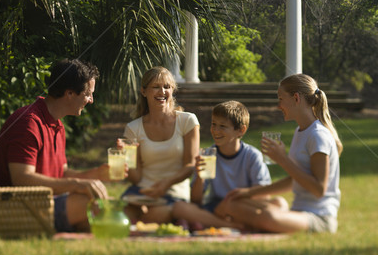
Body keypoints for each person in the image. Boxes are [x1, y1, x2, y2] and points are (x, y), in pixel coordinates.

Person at [0, 58, 114, 233]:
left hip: (45, 203)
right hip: (16, 208)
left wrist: (96, 174)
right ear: (70, 93)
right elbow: (22, 179)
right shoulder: (28, 123)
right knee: (88, 204)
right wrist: (77, 184)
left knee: (99, 207)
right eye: (88, 94)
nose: (91, 100)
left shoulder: (58, 125)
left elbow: (61, 173)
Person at [218, 74, 342, 234]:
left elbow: (319, 189)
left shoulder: (318, 135)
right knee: (232, 204)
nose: (278, 105)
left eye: (281, 99)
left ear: (296, 98)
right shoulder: (301, 131)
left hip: (319, 218)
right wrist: (248, 193)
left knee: (268, 216)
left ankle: (247, 223)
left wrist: (283, 160)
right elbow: (295, 180)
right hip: (299, 212)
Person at [172, 100, 284, 230]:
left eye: (222, 126)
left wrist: (236, 202)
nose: (215, 130)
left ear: (241, 130)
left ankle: (218, 222)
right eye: (213, 124)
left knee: (279, 203)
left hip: (243, 205)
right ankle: (232, 225)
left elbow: (263, 196)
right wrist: (200, 177)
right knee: (179, 207)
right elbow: (196, 200)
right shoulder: (209, 155)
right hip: (216, 207)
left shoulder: (252, 156)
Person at [120, 66, 200, 224]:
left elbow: (189, 165)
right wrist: (126, 158)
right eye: (156, 87)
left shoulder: (188, 121)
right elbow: (136, 178)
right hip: (142, 192)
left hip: (174, 192)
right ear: (144, 91)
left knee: (153, 217)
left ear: (172, 90)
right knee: (122, 216)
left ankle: (179, 219)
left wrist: (166, 184)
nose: (162, 92)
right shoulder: (133, 128)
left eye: (167, 87)